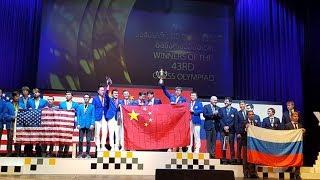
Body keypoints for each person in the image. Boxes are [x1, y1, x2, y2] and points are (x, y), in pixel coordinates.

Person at [284, 112, 305, 179]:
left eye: (297, 116)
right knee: (291, 157)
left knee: (298, 159)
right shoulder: (287, 125)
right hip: (290, 146)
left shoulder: (300, 125)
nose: (296, 117)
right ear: (291, 117)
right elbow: (285, 135)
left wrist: (303, 132)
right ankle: (290, 167)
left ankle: (297, 174)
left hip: (298, 146)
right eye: (295, 116)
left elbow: (301, 136)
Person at [58, 91, 79, 157]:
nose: (67, 96)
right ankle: (60, 152)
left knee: (68, 138)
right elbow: (59, 113)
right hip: (62, 124)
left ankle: (66, 153)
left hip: (70, 124)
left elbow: (78, 114)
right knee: (62, 138)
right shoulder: (61, 104)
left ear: (72, 96)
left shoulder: (76, 104)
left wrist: (74, 111)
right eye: (66, 95)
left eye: (69, 94)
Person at [219, 97, 238, 164]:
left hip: (231, 131)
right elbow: (220, 119)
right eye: (225, 101)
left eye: (227, 101)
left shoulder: (235, 110)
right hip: (223, 131)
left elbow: (235, 121)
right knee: (224, 145)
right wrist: (224, 126)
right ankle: (224, 160)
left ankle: (232, 160)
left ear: (230, 102)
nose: (225, 102)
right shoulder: (221, 109)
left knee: (231, 145)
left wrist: (228, 127)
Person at [241, 111, 259, 178]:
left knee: (253, 159)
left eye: (252, 114)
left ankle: (253, 173)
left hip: (254, 145)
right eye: (250, 114)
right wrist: (245, 129)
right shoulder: (244, 122)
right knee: (245, 159)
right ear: (247, 116)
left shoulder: (256, 123)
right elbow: (240, 131)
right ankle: (246, 174)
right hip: (246, 143)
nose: (251, 116)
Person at [3, 91, 22, 157]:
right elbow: (4, 115)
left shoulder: (21, 104)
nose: (18, 97)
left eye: (18, 96)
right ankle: (9, 153)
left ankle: (17, 153)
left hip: (19, 125)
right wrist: (12, 117)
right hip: (11, 124)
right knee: (10, 139)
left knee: (18, 139)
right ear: (13, 97)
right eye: (16, 96)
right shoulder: (8, 104)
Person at [77, 94, 95, 158]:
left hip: (89, 125)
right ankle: (80, 153)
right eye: (85, 97)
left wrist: (92, 124)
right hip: (81, 125)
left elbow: (93, 116)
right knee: (80, 140)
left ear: (89, 99)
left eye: (87, 98)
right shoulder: (79, 106)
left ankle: (87, 154)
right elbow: (78, 116)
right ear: (83, 98)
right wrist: (78, 124)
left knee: (88, 140)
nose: (86, 99)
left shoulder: (92, 106)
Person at [105, 81, 121, 151]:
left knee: (117, 133)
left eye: (117, 93)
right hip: (111, 118)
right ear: (112, 94)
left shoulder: (121, 101)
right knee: (111, 133)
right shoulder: (110, 100)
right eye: (115, 93)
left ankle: (117, 147)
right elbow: (106, 95)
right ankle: (111, 147)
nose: (116, 94)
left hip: (118, 118)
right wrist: (108, 86)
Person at [92, 85, 108, 151]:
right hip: (97, 117)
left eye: (103, 90)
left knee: (105, 132)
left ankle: (103, 146)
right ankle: (98, 147)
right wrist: (93, 118)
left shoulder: (106, 98)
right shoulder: (95, 98)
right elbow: (93, 109)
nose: (103, 91)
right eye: (101, 90)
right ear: (98, 91)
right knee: (97, 133)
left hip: (104, 117)